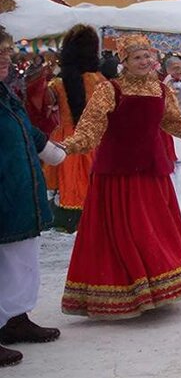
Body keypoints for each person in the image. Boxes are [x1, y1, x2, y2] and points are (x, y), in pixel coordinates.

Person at [58, 35, 181, 319]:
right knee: (124, 234)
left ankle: (158, 289)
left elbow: (178, 126)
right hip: (118, 175)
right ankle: (127, 291)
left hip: (151, 172)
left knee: (154, 231)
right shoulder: (109, 90)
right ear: (124, 61)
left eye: (147, 56)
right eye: (137, 57)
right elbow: (90, 129)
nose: (144, 61)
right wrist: (68, 146)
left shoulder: (161, 90)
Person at [0, 25, 66, 367]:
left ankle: (14, 318)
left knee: (21, 259)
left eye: (7, 51)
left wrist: (49, 149)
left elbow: (23, 127)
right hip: (4, 193)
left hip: (20, 192)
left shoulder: (6, 92)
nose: (5, 58)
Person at [42, 25, 104, 233]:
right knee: (90, 181)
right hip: (93, 139)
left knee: (67, 180)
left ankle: (64, 217)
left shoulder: (57, 83)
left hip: (64, 139)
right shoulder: (101, 82)